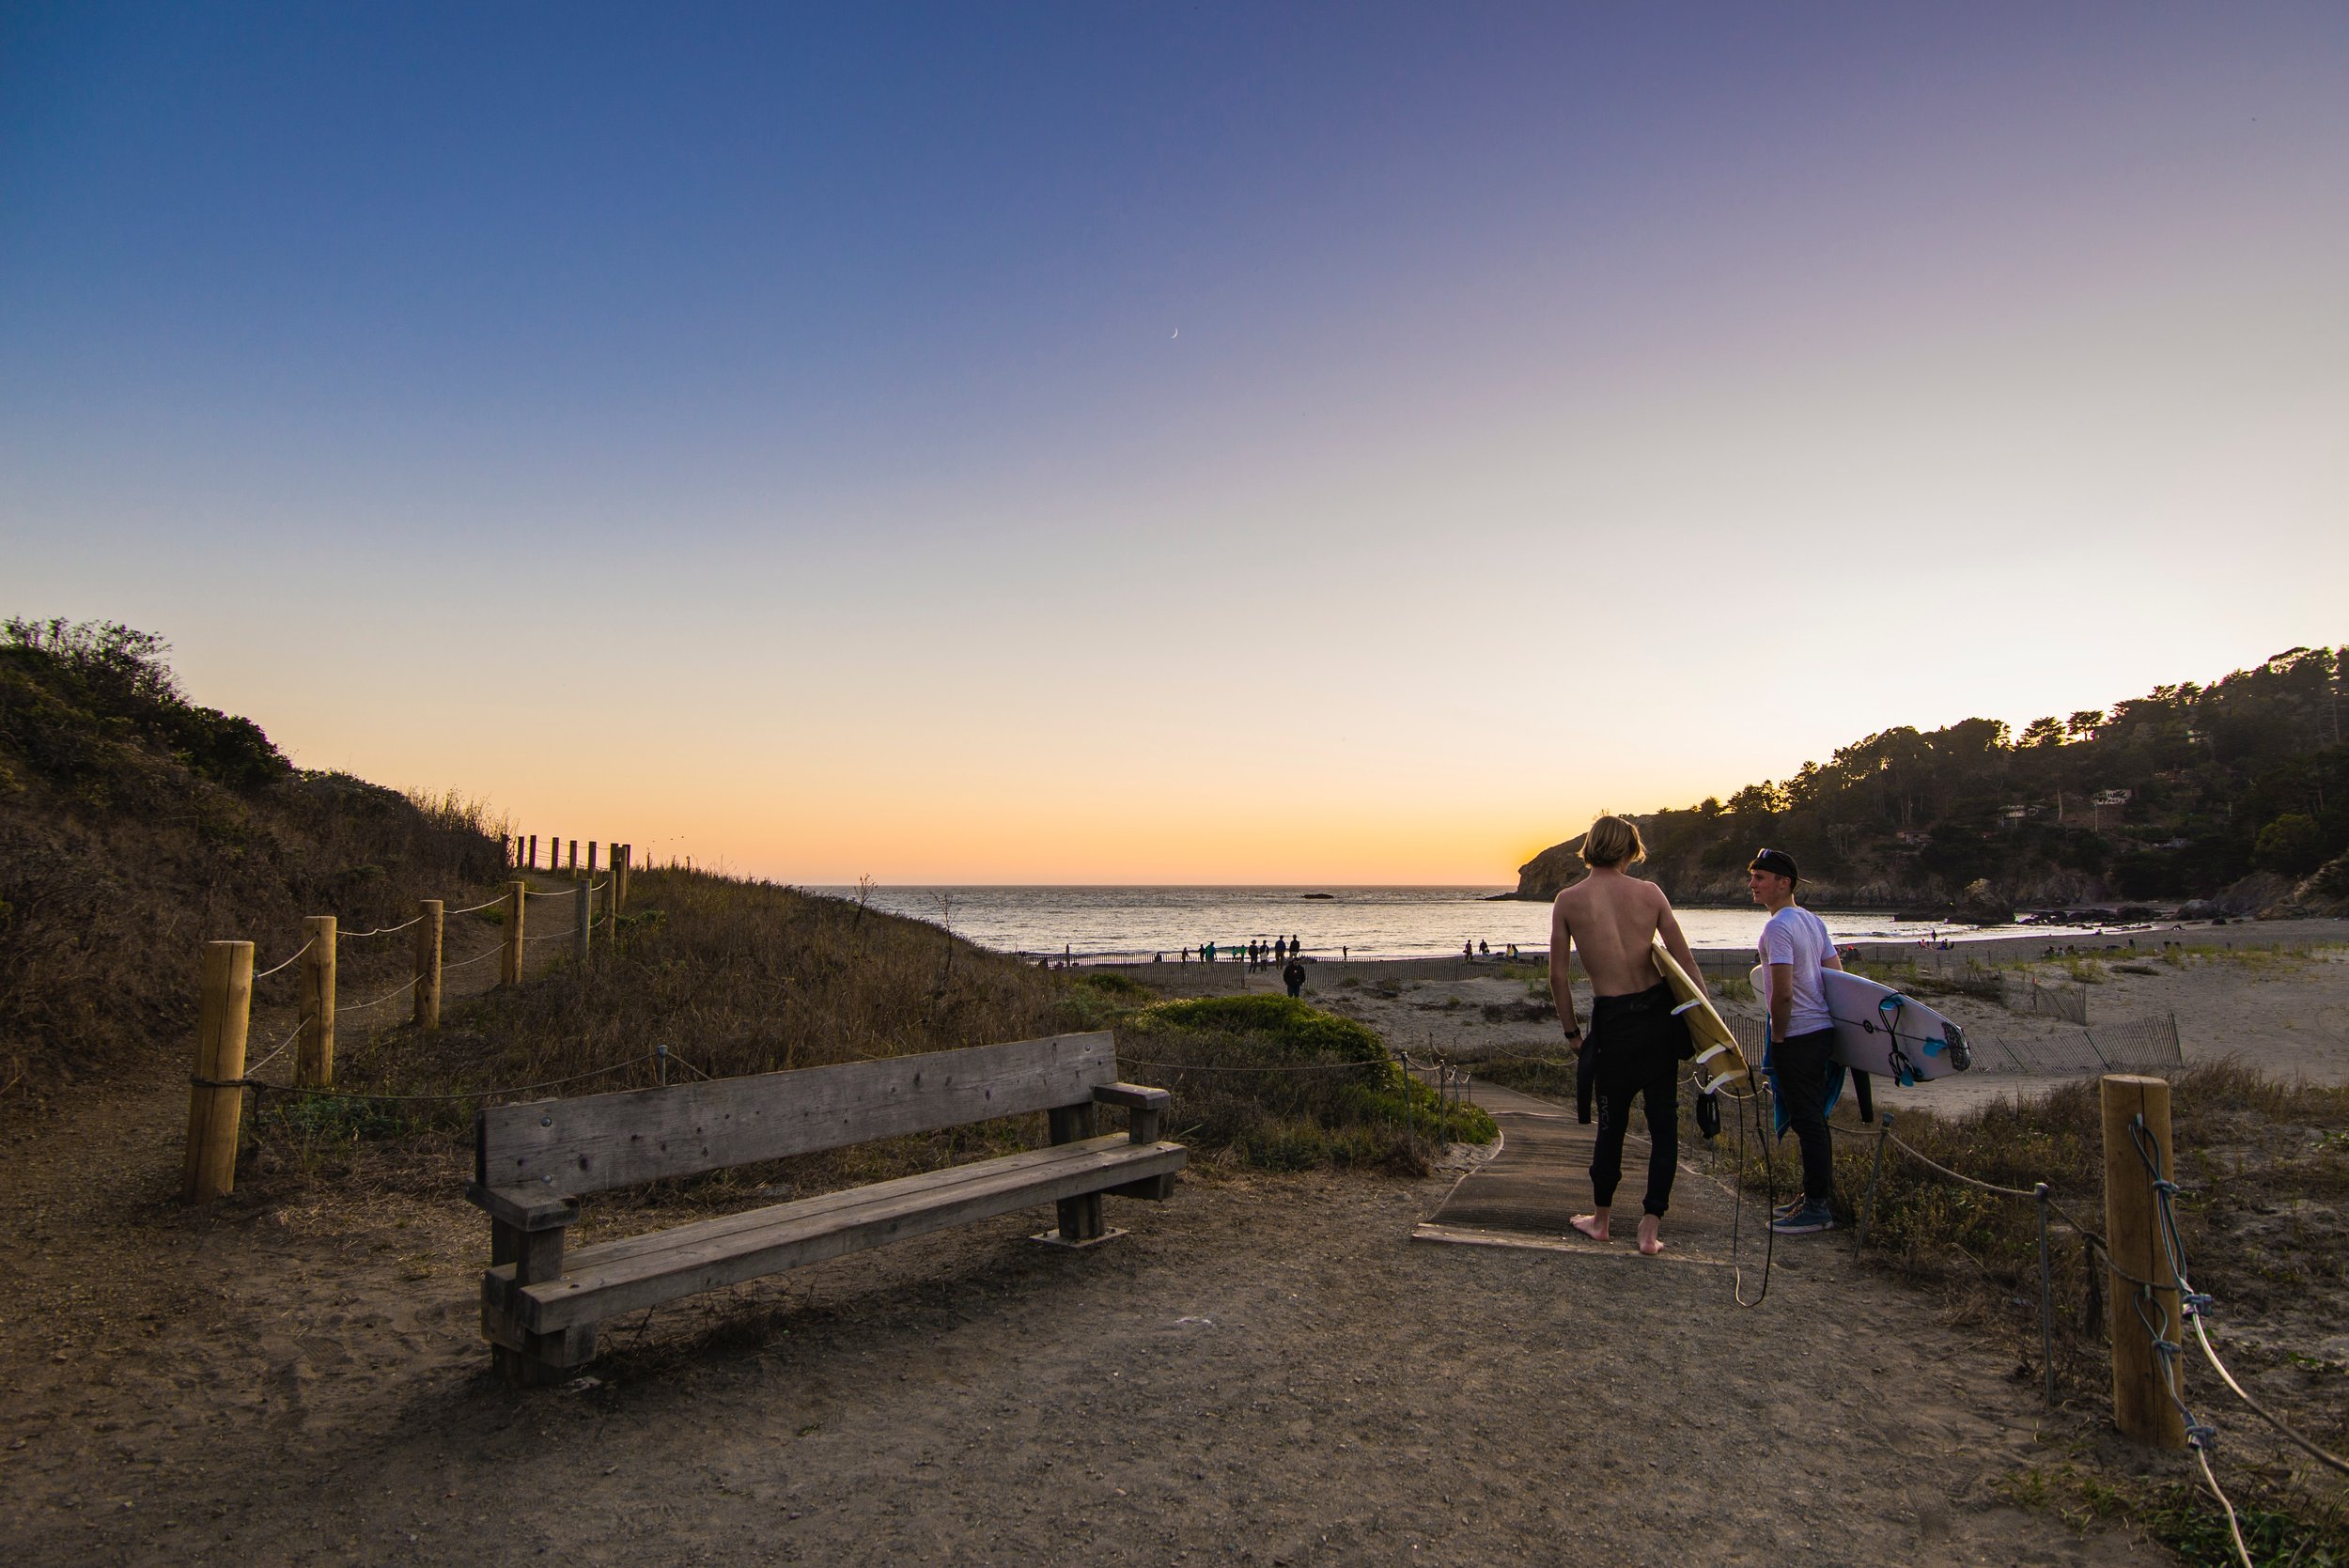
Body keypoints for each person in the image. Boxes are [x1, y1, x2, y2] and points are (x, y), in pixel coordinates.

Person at [1549, 815, 1699, 1256]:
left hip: (1612, 1025)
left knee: (1610, 1126)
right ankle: (1649, 1231)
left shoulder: (1568, 900)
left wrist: (1573, 1034)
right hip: (1658, 1020)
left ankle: (1601, 1221)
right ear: (1631, 850)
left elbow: (1558, 978)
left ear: (1590, 847)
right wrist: (1709, 1027)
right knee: (1663, 1126)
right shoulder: (1650, 894)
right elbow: (1685, 964)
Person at [1750, 847, 1844, 1236]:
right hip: (1821, 1031)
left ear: (1783, 882)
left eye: (1760, 877)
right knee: (1814, 1120)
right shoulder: (1812, 921)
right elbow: (1838, 975)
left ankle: (1818, 1208)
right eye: (1752, 876)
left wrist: (1778, 1035)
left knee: (1808, 1122)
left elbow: (1782, 993)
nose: (1752, 884)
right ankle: (1813, 1195)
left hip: (1798, 1034)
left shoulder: (1777, 928)